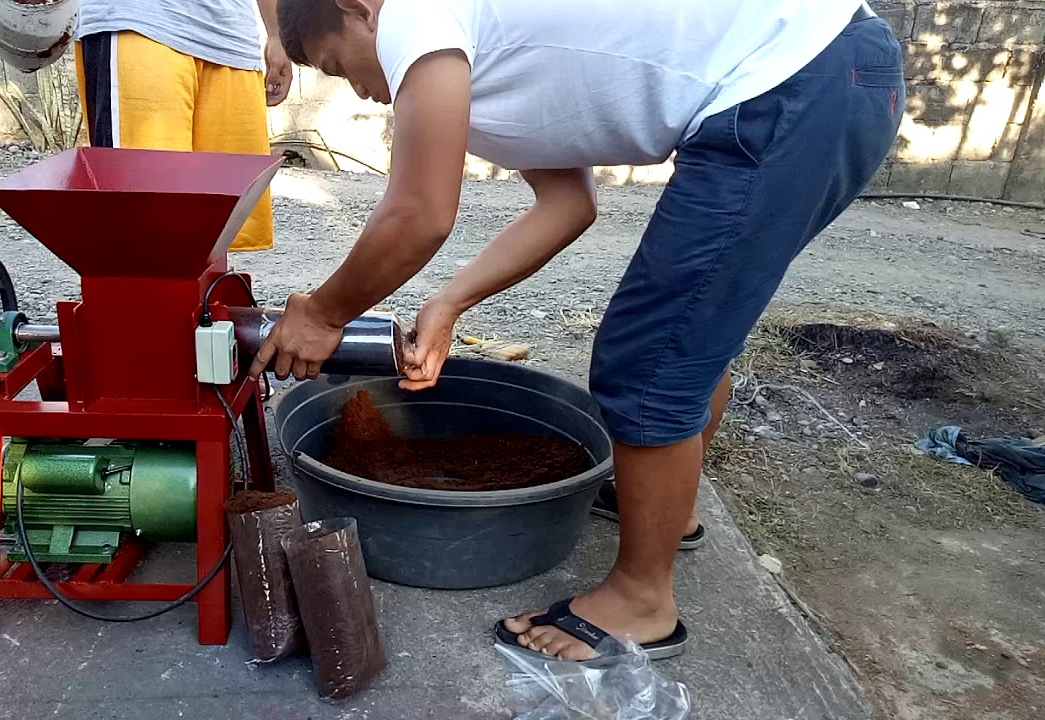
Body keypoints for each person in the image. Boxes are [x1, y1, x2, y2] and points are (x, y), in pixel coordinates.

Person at [250, 0, 902, 662]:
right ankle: (667, 515)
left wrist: (325, 312)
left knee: (649, 357)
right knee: (692, 328)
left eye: (339, 64)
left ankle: (641, 601)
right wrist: (449, 303)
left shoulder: (418, 12)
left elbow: (419, 213)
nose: (361, 89)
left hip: (796, 79)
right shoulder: (475, 68)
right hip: (824, 75)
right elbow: (568, 205)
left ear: (358, 8)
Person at [73, 0, 293, 251]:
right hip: (139, 21)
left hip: (230, 33)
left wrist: (277, 33)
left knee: (215, 231)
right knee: (141, 224)